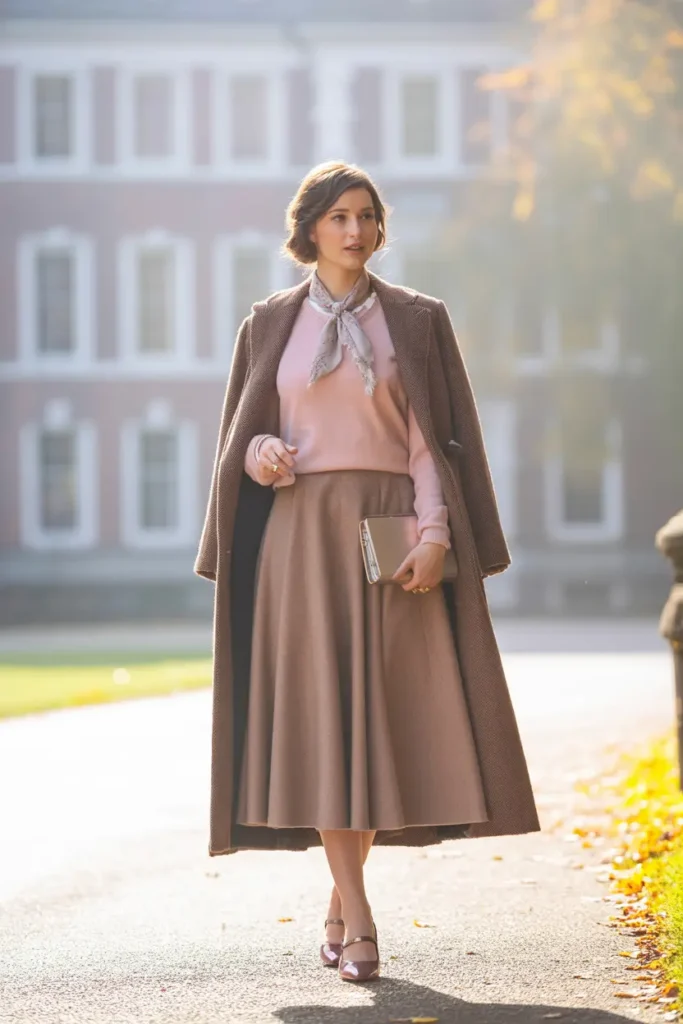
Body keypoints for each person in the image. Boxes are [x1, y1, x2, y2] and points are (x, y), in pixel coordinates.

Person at [194, 161, 540, 983]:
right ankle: (360, 917)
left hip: (391, 534)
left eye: (367, 216)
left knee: (374, 724)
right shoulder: (268, 321)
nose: (355, 231)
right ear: (309, 227)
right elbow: (246, 435)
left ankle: (339, 900)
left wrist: (434, 535)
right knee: (322, 726)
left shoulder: (416, 320)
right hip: (297, 541)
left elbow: (432, 442)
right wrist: (259, 452)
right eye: (339, 216)